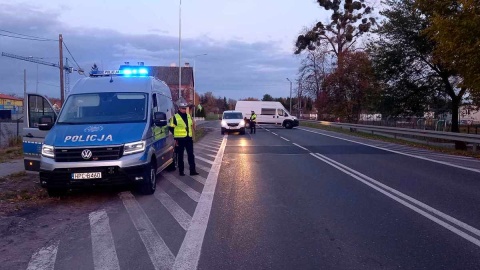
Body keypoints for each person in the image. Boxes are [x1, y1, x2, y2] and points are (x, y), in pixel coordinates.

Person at [169, 102, 199, 176]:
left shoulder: (188, 116)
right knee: (180, 155)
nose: (184, 110)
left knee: (191, 155)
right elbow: (171, 127)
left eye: (185, 108)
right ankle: (181, 171)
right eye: (182, 108)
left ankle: (192, 171)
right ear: (179, 108)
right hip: (180, 139)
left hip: (188, 139)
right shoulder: (175, 117)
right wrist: (176, 137)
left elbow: (192, 126)